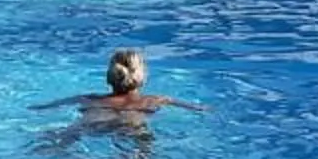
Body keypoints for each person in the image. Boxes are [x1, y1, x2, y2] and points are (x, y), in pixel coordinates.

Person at [36, 49, 206, 122]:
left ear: (110, 77)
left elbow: (45, 107)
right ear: (142, 76)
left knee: (75, 130)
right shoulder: (155, 100)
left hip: (98, 115)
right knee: (140, 134)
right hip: (132, 119)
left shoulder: (89, 98)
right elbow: (198, 108)